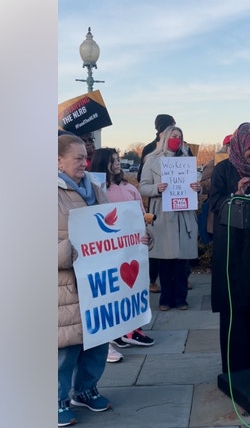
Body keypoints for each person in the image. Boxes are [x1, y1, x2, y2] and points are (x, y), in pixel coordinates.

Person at [207, 122, 250, 374]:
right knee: (234, 303)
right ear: (240, 144)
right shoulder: (224, 168)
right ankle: (234, 366)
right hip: (232, 247)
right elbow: (214, 203)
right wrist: (236, 192)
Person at [57, 133, 112, 426]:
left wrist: (140, 238)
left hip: (98, 282)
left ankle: (85, 390)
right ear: (58, 160)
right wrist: (73, 249)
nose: (84, 163)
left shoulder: (94, 188)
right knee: (67, 347)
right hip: (67, 286)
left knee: (98, 340)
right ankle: (56, 399)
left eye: (85, 157)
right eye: (77, 158)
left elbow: (115, 226)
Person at [88, 148, 157, 359]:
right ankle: (114, 335)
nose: (118, 163)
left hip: (132, 248)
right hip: (110, 251)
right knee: (113, 292)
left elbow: (139, 213)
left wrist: (147, 233)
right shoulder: (96, 189)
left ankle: (131, 329)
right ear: (103, 163)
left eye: (118, 159)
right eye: (113, 160)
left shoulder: (128, 187)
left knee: (133, 289)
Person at [139, 125, 200, 311]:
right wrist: (157, 189)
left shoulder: (187, 161)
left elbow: (195, 185)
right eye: (174, 136)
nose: (177, 139)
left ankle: (181, 298)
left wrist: (199, 189)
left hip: (183, 214)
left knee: (182, 261)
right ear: (165, 138)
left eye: (180, 136)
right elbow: (142, 186)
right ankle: (165, 299)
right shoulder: (151, 160)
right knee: (164, 260)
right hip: (164, 215)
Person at [139, 114, 175, 294]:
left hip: (178, 208)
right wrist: (157, 188)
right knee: (156, 244)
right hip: (158, 208)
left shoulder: (184, 151)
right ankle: (152, 279)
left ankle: (180, 281)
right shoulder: (149, 151)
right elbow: (141, 181)